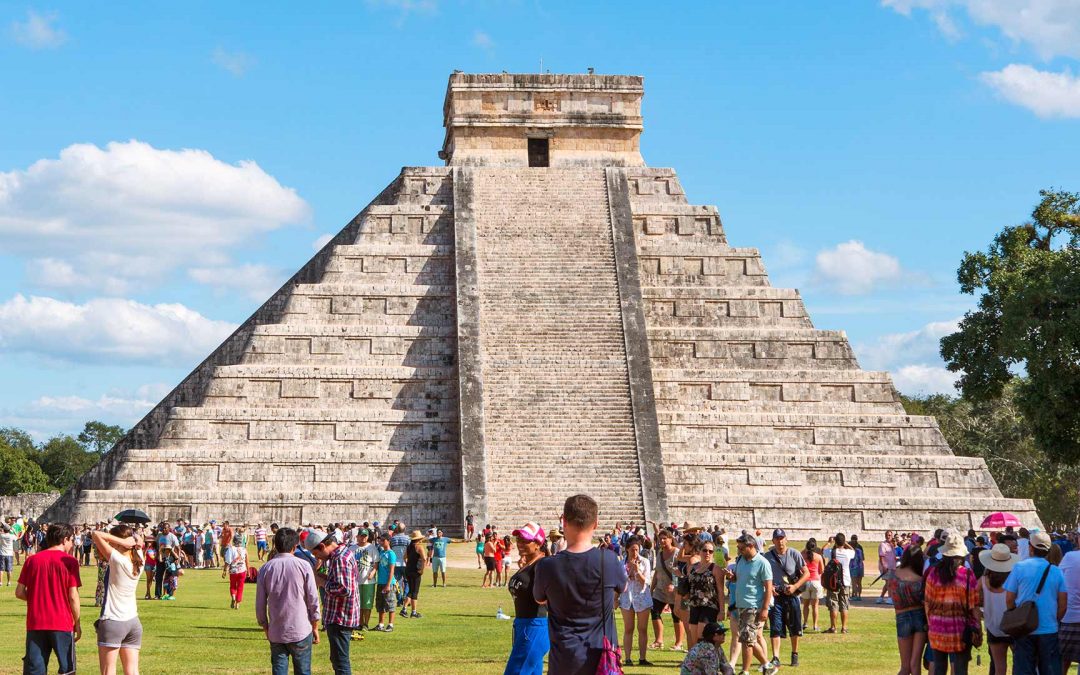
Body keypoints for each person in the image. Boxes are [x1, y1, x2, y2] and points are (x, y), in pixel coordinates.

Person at [533, 494, 628, 674]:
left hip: (564, 659)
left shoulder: (547, 565)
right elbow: (623, 587)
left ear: (564, 521)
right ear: (596, 523)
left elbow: (540, 599)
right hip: (601, 660)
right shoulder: (609, 560)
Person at [16, 522, 82, 675]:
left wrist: (37, 598)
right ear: (65, 539)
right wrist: (77, 623)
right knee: (67, 669)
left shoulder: (32, 560)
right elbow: (73, 596)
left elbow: (19, 592)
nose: (72, 543)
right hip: (62, 622)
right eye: (71, 540)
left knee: (35, 669)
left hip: (36, 622)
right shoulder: (70, 562)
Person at [257, 528, 320, 675]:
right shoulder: (304, 566)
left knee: (279, 669)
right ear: (295, 546)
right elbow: (313, 598)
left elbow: (260, 603)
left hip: (277, 630)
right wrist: (315, 625)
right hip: (301, 628)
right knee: (303, 671)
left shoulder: (266, 568)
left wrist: (265, 626)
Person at [1004, 530, 1067, 675]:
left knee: (1024, 670)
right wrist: (1053, 619)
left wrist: (1016, 616)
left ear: (1030, 548)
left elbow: (1009, 599)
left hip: (1024, 627)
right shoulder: (1057, 571)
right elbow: (1063, 604)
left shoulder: (1019, 567)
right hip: (1049, 629)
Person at [304, 528, 360, 674]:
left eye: (316, 554)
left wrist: (322, 583)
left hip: (340, 618)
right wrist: (325, 578)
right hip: (341, 616)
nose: (318, 558)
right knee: (338, 660)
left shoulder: (340, 559)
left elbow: (344, 589)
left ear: (322, 546)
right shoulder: (342, 554)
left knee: (341, 663)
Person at [924, 532, 981, 675]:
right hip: (960, 629)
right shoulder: (967, 575)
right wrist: (978, 629)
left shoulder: (933, 574)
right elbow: (974, 606)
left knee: (939, 669)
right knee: (961, 669)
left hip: (937, 627)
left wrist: (931, 623)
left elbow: (927, 603)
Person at [91, 525, 144, 675]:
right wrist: (133, 540)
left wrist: (122, 541)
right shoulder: (139, 560)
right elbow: (139, 540)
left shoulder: (118, 560)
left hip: (113, 621)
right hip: (133, 621)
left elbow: (95, 534)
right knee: (132, 671)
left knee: (108, 670)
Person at [504, 522, 549, 675]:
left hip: (534, 626)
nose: (520, 543)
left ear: (538, 544)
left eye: (525, 540)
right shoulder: (529, 564)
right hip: (522, 626)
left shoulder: (543, 565)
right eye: (519, 539)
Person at [765, 528, 808, 669]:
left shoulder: (794, 554)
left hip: (792, 595)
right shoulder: (767, 557)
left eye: (782, 538)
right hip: (776, 596)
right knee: (775, 626)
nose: (780, 541)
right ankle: (776, 657)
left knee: (794, 626)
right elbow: (762, 575)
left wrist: (795, 586)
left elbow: (806, 573)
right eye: (777, 539)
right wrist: (770, 587)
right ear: (773, 541)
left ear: (786, 539)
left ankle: (794, 653)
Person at [733, 533, 775, 674]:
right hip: (741, 605)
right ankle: (767, 665)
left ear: (751, 546)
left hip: (753, 606)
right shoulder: (741, 560)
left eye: (741, 548)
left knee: (747, 641)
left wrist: (765, 609)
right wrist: (732, 577)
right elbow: (739, 578)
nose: (739, 551)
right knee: (748, 639)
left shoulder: (763, 563)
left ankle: (745, 671)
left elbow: (769, 587)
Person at [889, 544, 929, 675]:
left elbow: (892, 595)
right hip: (919, 615)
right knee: (915, 663)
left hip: (902, 616)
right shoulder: (921, 578)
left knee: (905, 667)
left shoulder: (894, 575)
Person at [979, 543, 1018, 675]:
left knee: (999, 668)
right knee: (1018, 664)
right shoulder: (1014, 580)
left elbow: (973, 597)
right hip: (1013, 625)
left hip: (993, 627)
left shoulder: (983, 580)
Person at [619, 535, 655, 666]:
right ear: (627, 549)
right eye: (632, 549)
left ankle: (642, 658)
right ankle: (627, 658)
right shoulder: (621, 563)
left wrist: (637, 570)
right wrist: (629, 572)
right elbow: (620, 582)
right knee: (628, 628)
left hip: (642, 598)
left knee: (642, 629)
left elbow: (646, 581)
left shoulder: (644, 561)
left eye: (637, 549)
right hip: (627, 598)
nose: (635, 552)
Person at [650, 528, 686, 651]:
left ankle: (679, 643)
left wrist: (674, 585)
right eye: (660, 539)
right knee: (654, 612)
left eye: (665, 538)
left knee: (676, 616)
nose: (662, 541)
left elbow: (680, 572)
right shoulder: (659, 554)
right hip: (660, 590)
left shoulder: (677, 553)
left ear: (671, 539)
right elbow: (656, 572)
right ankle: (658, 640)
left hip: (674, 591)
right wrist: (651, 588)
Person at [824, 532, 855, 634]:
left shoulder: (832, 552)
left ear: (836, 542)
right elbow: (853, 550)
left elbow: (822, 550)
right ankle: (844, 628)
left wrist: (829, 542)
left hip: (833, 581)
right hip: (845, 581)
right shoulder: (848, 553)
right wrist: (846, 543)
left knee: (833, 604)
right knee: (844, 605)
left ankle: (833, 627)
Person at [354, 529, 379, 630]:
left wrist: (373, 572)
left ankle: (366, 624)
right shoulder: (352, 548)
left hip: (369, 581)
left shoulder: (372, 548)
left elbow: (376, 562)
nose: (363, 538)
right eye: (361, 536)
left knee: (368, 603)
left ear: (368, 537)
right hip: (356, 581)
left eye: (365, 536)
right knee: (358, 603)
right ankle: (359, 623)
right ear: (357, 536)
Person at [373, 533, 397, 632]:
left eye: (383, 540)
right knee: (380, 604)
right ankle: (381, 624)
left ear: (388, 541)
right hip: (380, 582)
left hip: (388, 583)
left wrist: (388, 584)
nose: (381, 542)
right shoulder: (382, 552)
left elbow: (392, 570)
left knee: (390, 603)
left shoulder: (391, 554)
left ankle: (390, 625)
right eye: (380, 540)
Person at [401, 530, 426, 619]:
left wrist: (408, 564)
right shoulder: (419, 547)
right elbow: (424, 559)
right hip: (415, 571)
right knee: (414, 592)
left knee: (410, 591)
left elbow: (404, 558)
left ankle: (404, 609)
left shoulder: (409, 547)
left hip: (408, 570)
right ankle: (413, 612)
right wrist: (422, 569)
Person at [801, 538, 824, 632]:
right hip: (815, 581)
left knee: (805, 605)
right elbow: (821, 570)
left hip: (805, 581)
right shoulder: (818, 557)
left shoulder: (802, 555)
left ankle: (805, 622)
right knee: (815, 606)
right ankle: (815, 625)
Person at [224, 533, 249, 609]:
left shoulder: (231, 549)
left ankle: (233, 597)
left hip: (233, 571)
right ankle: (237, 604)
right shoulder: (244, 549)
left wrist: (224, 570)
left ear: (234, 541)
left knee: (233, 586)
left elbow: (227, 561)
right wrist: (248, 571)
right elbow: (247, 561)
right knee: (240, 587)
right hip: (242, 570)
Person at [877, 530, 897, 605]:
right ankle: (889, 598)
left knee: (889, 583)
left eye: (890, 535)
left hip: (892, 566)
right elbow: (881, 556)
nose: (888, 537)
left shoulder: (892, 545)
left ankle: (881, 597)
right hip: (886, 566)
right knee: (889, 582)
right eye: (887, 535)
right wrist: (884, 566)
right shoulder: (883, 545)